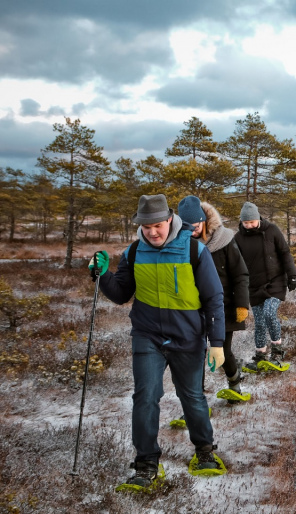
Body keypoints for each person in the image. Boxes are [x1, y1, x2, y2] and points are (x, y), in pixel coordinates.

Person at [89, 194, 226, 491]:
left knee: (192, 396)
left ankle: (204, 451)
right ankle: (146, 463)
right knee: (145, 396)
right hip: (147, 334)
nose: (153, 231)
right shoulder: (134, 252)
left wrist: (216, 342)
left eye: (158, 225)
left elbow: (214, 299)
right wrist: (101, 275)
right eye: (146, 225)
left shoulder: (194, 250)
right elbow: (122, 293)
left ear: (170, 220)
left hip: (188, 337)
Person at [178, 195, 250, 401]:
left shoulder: (225, 239)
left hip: (222, 307)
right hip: (192, 308)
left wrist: (242, 304)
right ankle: (195, 400)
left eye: (196, 225)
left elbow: (241, 274)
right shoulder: (182, 244)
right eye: (187, 226)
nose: (193, 230)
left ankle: (235, 386)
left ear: (204, 220)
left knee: (223, 351)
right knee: (195, 355)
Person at [234, 202, 296, 372]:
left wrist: (292, 275)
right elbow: (234, 263)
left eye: (252, 222)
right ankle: (260, 355)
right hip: (253, 285)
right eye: (246, 223)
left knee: (269, 313)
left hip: (275, 281)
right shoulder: (238, 238)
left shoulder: (272, 230)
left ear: (258, 218)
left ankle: (277, 351)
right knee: (259, 322)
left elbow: (285, 252)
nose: (249, 226)